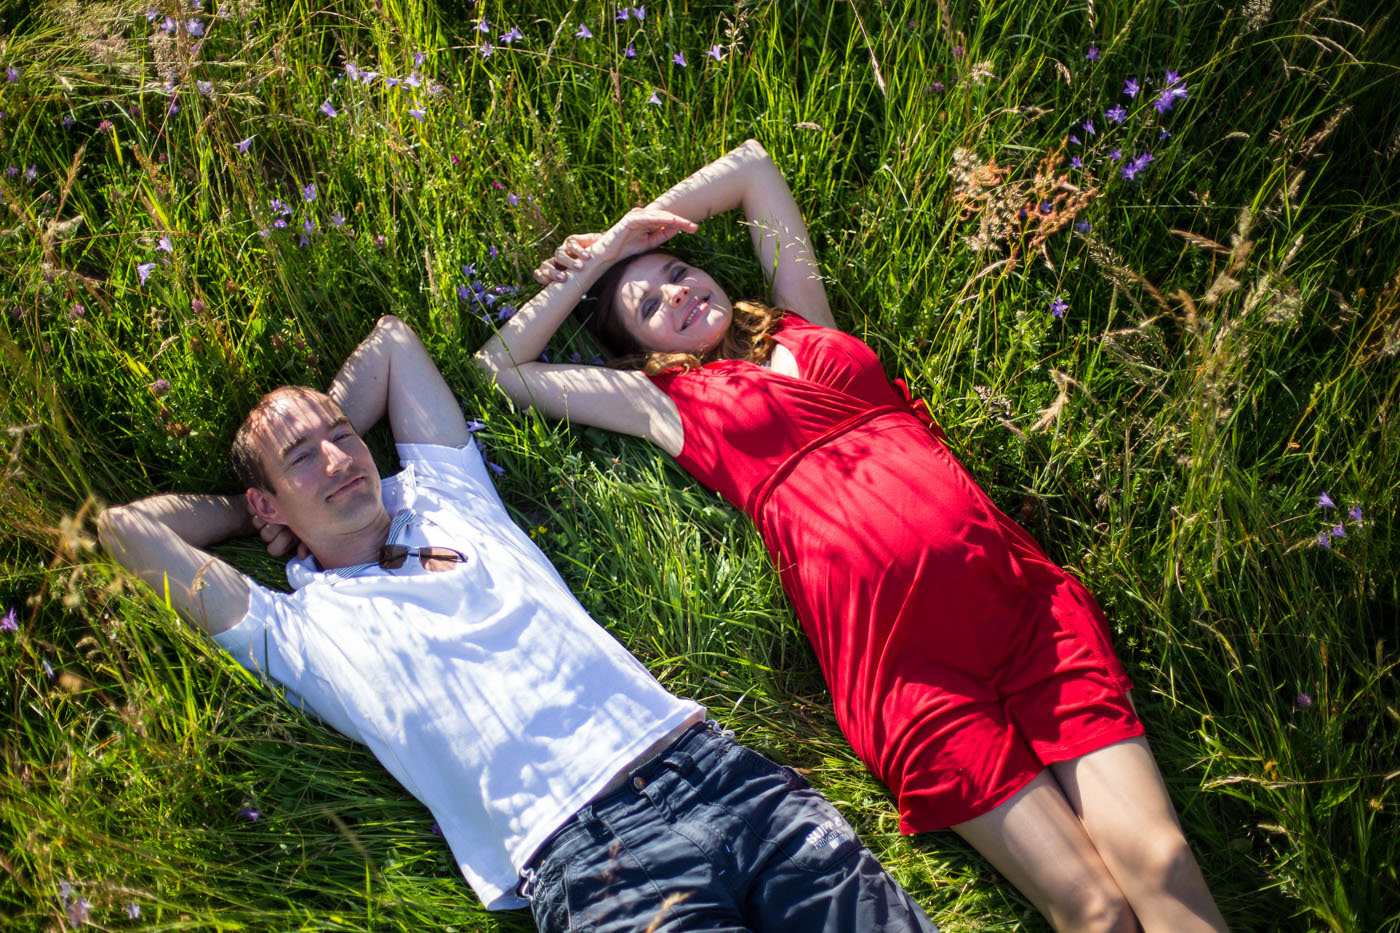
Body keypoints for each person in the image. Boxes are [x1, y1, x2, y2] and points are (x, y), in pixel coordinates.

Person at [472, 139, 1229, 933]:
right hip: (906, 669)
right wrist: (603, 260)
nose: (679, 291)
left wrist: (634, 229)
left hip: (1017, 605)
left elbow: (752, 167)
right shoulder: (665, 403)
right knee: (1095, 909)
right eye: (651, 304)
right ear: (640, 348)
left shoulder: (805, 320)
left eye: (677, 270)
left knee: (1162, 860)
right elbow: (501, 368)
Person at [97, 314, 939, 933]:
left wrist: (303, 461)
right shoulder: (295, 630)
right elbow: (125, 529)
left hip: (714, 769)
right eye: (302, 457)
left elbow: (392, 343)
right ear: (265, 501)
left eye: (343, 435)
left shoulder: (449, 496)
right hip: (595, 865)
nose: (339, 458)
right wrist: (260, 513)